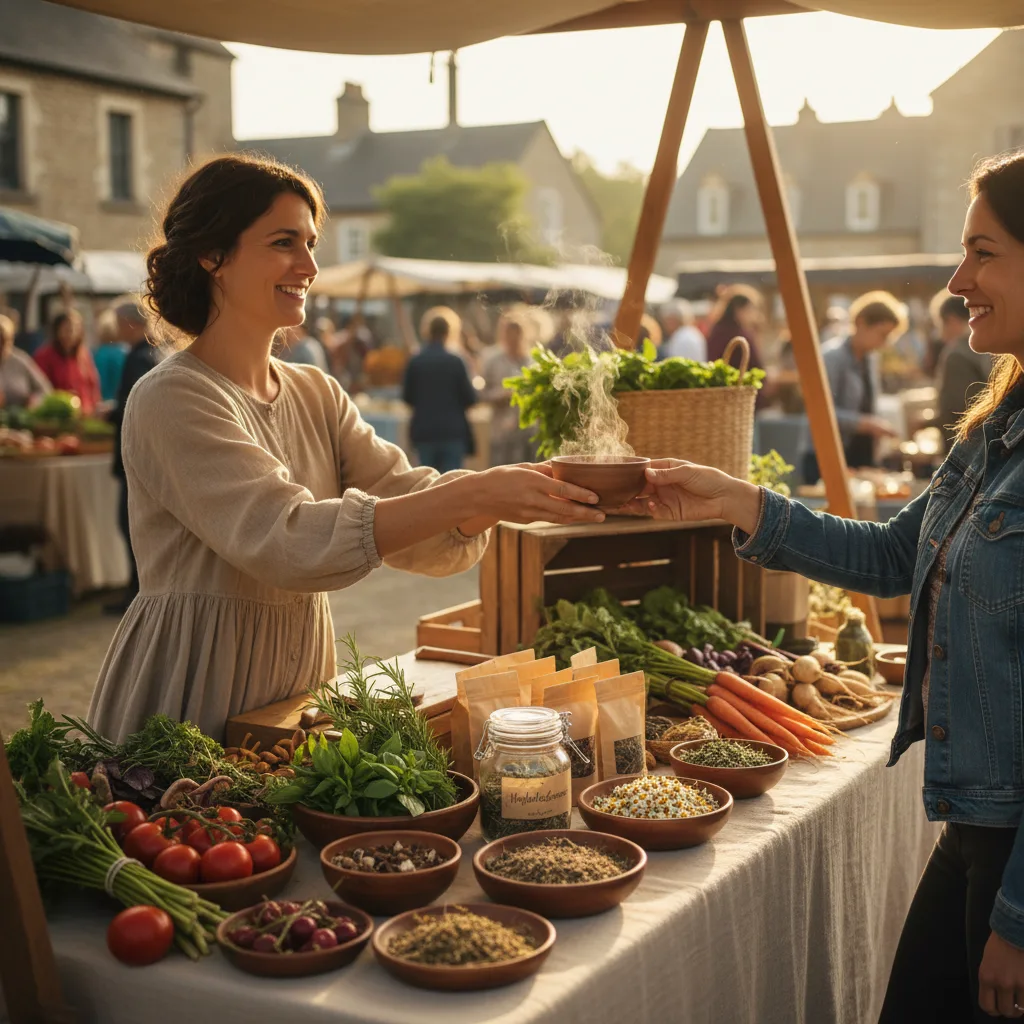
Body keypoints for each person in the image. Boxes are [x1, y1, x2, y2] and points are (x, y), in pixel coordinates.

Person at [626, 148, 1024, 1023]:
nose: (960, 277)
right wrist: (739, 500)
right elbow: (891, 554)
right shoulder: (1000, 428)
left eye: (984, 251)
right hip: (973, 829)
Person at [86, 154, 602, 741]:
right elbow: (287, 539)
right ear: (213, 256)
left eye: (311, 243)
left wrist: (504, 496)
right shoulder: (172, 398)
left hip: (295, 688)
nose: (308, 265)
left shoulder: (315, 391)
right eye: (284, 242)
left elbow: (414, 512)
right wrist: (479, 488)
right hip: (193, 681)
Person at [802, 291, 903, 483]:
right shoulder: (831, 357)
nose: (884, 343)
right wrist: (865, 424)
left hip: (858, 456)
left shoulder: (870, 358)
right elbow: (820, 411)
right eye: (882, 334)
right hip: (828, 456)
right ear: (861, 323)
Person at [105, 300, 161, 616]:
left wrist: (111, 414)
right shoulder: (148, 354)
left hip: (136, 457)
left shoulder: (140, 357)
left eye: (117, 322)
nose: (114, 329)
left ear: (130, 323)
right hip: (145, 456)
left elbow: (133, 407)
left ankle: (136, 594)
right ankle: (136, 590)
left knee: (130, 524)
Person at [403, 314, 477, 473]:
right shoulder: (456, 361)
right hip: (452, 431)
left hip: (424, 431)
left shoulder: (416, 361)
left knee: (427, 482)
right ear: (449, 332)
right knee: (451, 482)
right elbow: (470, 398)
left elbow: (407, 397)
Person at [932, 291, 992, 454]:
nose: (941, 335)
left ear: (951, 320)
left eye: (940, 325)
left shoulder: (957, 354)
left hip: (967, 449)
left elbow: (957, 410)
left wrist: (926, 423)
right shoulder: (991, 346)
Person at [481, 315, 534, 466]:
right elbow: (482, 394)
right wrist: (501, 395)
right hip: (500, 432)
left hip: (527, 433)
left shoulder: (531, 362)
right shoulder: (493, 361)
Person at [33, 310, 101, 415]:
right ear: (57, 330)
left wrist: (93, 407)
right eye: (67, 329)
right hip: (58, 416)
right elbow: (40, 388)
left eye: (75, 329)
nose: (71, 333)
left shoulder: (83, 355)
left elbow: (92, 385)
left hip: (85, 415)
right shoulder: (44, 356)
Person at [705, 285, 766, 368]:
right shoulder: (741, 335)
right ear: (739, 310)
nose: (754, 315)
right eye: (750, 309)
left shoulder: (716, 330)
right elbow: (756, 366)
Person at [0, 312, 50, 408]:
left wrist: (35, 400)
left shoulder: (21, 360)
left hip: (21, 416)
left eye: (4, 340)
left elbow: (45, 390)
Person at [93, 307, 128, 403]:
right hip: (123, 401)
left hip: (104, 403)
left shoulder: (100, 354)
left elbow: (99, 381)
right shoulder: (125, 352)